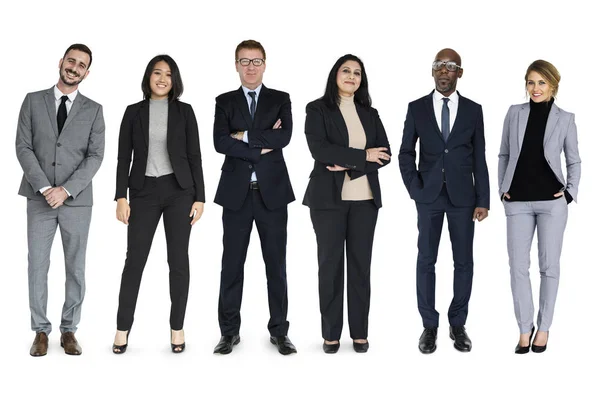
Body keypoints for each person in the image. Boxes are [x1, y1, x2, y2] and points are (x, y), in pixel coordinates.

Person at [16, 43, 105, 356]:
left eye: (82, 65)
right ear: (61, 62)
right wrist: (44, 187)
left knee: (75, 268)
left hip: (76, 202)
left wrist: (65, 189)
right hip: (39, 199)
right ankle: (40, 331)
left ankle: (69, 329)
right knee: (37, 265)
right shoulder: (31, 101)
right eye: (71, 61)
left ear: (87, 72)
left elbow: (96, 156)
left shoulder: (94, 110)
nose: (75, 68)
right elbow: (23, 147)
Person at [399, 48, 490, 354]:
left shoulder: (474, 110)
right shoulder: (417, 108)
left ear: (459, 73)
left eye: (450, 66)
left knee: (463, 262)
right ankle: (429, 326)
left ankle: (457, 323)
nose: (443, 70)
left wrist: (483, 199)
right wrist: (415, 189)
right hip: (429, 197)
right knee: (426, 260)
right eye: (438, 65)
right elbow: (405, 153)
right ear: (432, 70)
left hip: (464, 199)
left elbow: (479, 157)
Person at [112, 55, 205, 354]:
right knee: (134, 262)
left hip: (180, 192)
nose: (162, 78)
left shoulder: (185, 112)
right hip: (143, 192)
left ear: (174, 80)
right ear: (148, 77)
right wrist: (120, 196)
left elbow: (195, 157)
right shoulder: (132, 112)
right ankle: (122, 328)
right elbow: (123, 157)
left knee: (178, 261)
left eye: (168, 74)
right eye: (157, 72)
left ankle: (177, 328)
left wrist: (200, 197)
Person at [212, 40, 296, 355]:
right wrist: (264, 143)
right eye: (244, 61)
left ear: (265, 64)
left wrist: (244, 136)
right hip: (236, 195)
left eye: (256, 60)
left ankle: (280, 332)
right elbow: (220, 142)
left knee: (276, 265)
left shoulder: (280, 99)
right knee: (231, 265)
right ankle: (229, 332)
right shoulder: (224, 101)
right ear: (236, 65)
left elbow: (284, 136)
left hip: (272, 194)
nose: (250, 66)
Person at [303, 54, 391, 354]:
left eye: (357, 73)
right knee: (330, 267)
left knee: (359, 268)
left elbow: (385, 153)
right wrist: (362, 156)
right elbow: (320, 149)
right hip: (328, 201)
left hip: (365, 200)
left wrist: (350, 163)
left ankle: (359, 332)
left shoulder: (370, 112)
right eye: (346, 71)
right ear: (335, 75)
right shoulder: (317, 109)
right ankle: (330, 333)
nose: (351, 76)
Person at [498, 60, 580, 354]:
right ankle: (524, 327)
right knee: (518, 268)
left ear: (553, 85)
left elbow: (573, 160)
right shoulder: (514, 113)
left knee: (549, 267)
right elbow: (504, 154)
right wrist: (503, 189)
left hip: (552, 203)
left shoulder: (566, 118)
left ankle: (544, 328)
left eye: (542, 83)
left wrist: (569, 193)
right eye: (531, 82)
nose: (535, 88)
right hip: (517, 202)